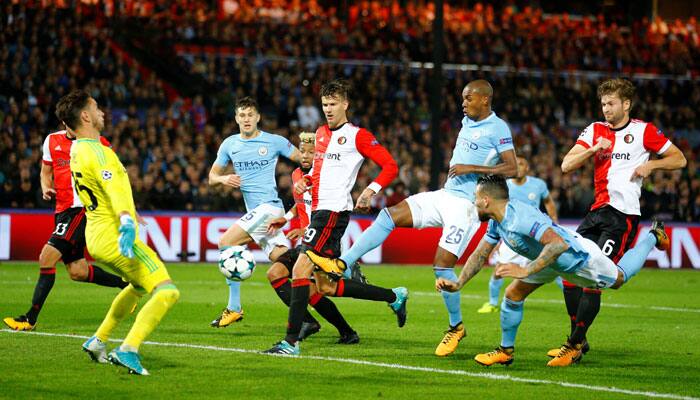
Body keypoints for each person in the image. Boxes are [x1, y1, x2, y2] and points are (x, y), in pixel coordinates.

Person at [307, 80, 518, 357]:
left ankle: (455, 328)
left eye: (468, 98)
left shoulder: (498, 128)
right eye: (462, 98)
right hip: (446, 194)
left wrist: (473, 168)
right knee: (389, 215)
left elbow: (512, 167)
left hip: (466, 205)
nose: (463, 103)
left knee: (442, 267)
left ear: (485, 100)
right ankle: (342, 263)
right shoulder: (468, 121)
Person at [436, 175, 670, 367]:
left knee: (619, 278)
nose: (474, 203)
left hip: (577, 260)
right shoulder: (497, 220)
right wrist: (458, 284)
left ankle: (653, 236)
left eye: (476, 198)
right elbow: (480, 254)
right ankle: (505, 351)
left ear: (486, 200)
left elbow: (558, 244)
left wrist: (526, 270)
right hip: (548, 261)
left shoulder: (521, 218)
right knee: (513, 295)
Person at [264, 79, 407, 355]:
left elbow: (390, 165)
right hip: (319, 211)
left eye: (333, 104)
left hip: (333, 213)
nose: (328, 109)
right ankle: (394, 296)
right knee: (326, 286)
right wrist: (305, 182)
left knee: (299, 271)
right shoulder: (319, 134)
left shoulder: (357, 135)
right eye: (325, 104)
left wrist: (370, 190)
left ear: (345, 104)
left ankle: (290, 342)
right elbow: (319, 173)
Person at [555, 78, 687, 357]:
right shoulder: (595, 130)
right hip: (596, 212)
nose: (606, 108)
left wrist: (651, 165)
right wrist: (593, 148)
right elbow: (566, 164)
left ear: (626, 104)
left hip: (622, 216)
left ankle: (574, 344)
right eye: (603, 103)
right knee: (568, 271)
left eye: (611, 103)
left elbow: (679, 159)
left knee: (597, 278)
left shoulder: (644, 131)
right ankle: (579, 337)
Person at [59, 90, 180, 375]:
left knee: (138, 287)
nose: (102, 112)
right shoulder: (99, 151)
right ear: (86, 116)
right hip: (116, 235)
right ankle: (128, 349)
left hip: (96, 236)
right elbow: (113, 188)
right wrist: (127, 221)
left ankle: (98, 340)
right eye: (96, 107)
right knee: (168, 292)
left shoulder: (77, 149)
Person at [3, 128, 127, 332]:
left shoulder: (97, 142)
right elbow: (45, 172)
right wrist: (45, 186)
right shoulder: (52, 140)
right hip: (62, 210)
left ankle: (29, 319)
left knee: (47, 257)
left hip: (82, 209)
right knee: (78, 271)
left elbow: (117, 173)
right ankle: (125, 284)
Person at [207, 96, 302, 328]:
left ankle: (234, 307)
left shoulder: (274, 141)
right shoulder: (229, 144)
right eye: (242, 115)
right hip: (257, 213)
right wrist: (224, 178)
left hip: (269, 207)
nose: (246, 119)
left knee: (226, 243)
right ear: (236, 118)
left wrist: (306, 179)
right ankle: (327, 272)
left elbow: (303, 159)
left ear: (258, 117)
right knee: (284, 262)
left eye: (250, 115)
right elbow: (211, 178)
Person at [265, 131, 360, 344]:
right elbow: (301, 205)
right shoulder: (297, 174)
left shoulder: (325, 176)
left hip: (321, 239)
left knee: (321, 288)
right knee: (277, 274)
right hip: (307, 239)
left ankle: (344, 328)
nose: (305, 155)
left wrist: (306, 227)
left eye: (311, 152)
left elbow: (323, 207)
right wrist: (288, 219)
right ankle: (326, 326)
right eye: (303, 151)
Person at [477, 157, 560, 314]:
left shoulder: (538, 185)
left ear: (527, 167)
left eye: (522, 164)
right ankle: (492, 303)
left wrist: (554, 220)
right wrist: (499, 242)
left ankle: (571, 298)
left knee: (555, 268)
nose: (519, 167)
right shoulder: (504, 186)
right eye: (516, 164)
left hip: (536, 236)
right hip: (513, 236)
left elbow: (548, 201)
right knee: (499, 270)